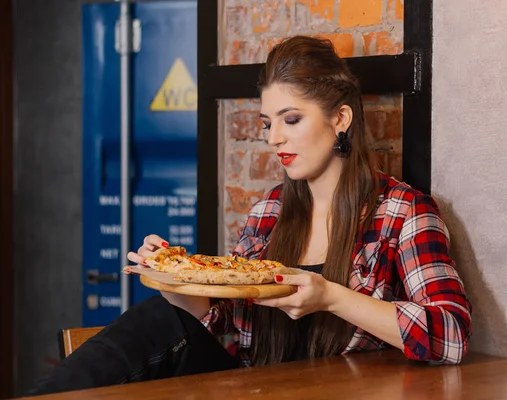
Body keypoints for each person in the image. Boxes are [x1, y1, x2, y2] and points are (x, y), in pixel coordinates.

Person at [29, 36, 471, 395]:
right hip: (253, 387)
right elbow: (215, 320)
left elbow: (450, 335)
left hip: (343, 390)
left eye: (291, 119)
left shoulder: (403, 211)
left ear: (340, 118)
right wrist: (174, 276)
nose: (274, 138)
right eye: (266, 123)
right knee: (160, 319)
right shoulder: (269, 211)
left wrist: (331, 297)